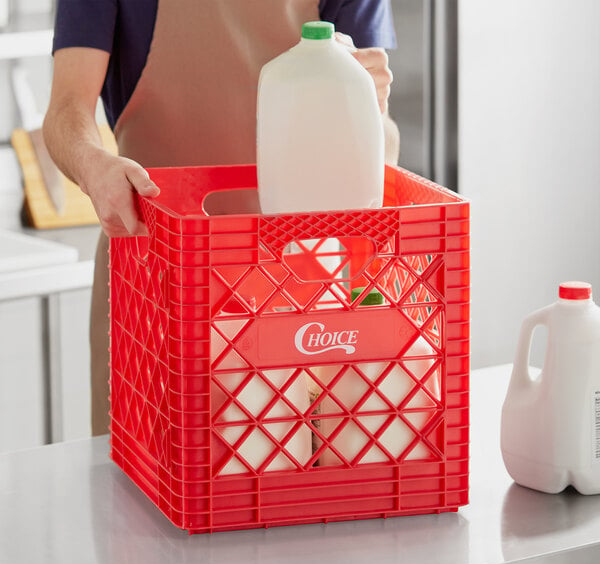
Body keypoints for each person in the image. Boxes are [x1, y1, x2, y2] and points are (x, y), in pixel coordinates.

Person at [43, 0, 399, 436]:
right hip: (155, 284)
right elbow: (66, 109)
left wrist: (371, 99)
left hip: (305, 291)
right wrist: (93, 164)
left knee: (302, 479)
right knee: (138, 490)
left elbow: (381, 137)